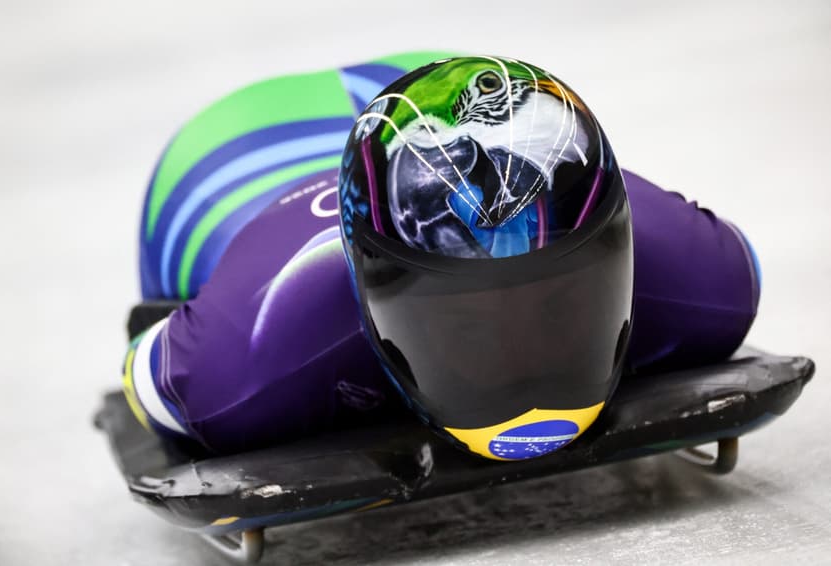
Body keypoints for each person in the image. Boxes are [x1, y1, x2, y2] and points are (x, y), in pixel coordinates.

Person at [122, 52, 760, 455]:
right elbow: (152, 373)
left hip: (445, 109)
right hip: (233, 156)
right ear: (366, 290)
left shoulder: (708, 279)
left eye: (560, 303)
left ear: (621, 255)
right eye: (467, 324)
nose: (519, 357)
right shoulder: (239, 364)